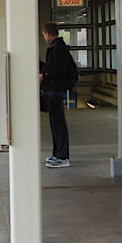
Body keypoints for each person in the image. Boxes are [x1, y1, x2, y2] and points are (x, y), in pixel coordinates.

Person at [39, 22, 73, 168]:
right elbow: (52, 67)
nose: (44, 38)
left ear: (47, 33)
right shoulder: (56, 47)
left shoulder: (57, 48)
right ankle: (57, 154)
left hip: (55, 90)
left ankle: (63, 157)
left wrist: (43, 76)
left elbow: (58, 71)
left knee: (58, 124)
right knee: (55, 123)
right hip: (53, 90)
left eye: (44, 35)